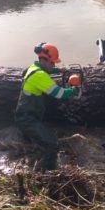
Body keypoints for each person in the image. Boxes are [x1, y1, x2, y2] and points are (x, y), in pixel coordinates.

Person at [15, 42, 77, 172]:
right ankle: (46, 173)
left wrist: (58, 70)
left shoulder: (34, 67)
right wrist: (73, 89)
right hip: (28, 120)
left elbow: (46, 69)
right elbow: (59, 93)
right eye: (53, 63)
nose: (54, 65)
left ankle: (33, 159)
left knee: (42, 141)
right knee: (51, 143)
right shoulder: (40, 76)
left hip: (26, 115)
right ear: (44, 59)